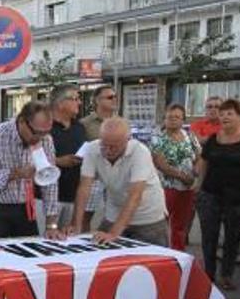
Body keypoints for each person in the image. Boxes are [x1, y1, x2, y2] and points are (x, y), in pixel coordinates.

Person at [194, 98, 240, 291]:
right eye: (222, 113)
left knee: (233, 236)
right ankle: (208, 273)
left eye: (229, 113)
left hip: (238, 196)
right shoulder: (214, 139)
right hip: (210, 193)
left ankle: (226, 275)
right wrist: (198, 187)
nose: (224, 116)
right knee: (209, 236)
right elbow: (204, 163)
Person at [68, 117, 168, 247]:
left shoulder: (140, 152)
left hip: (147, 217)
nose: (108, 151)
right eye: (104, 145)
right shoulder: (93, 149)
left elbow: (135, 196)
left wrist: (114, 234)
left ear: (127, 140)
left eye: (114, 147)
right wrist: (76, 225)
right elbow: (84, 188)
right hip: (114, 213)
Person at [0, 101, 62, 240]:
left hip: (25, 205)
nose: (40, 138)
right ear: (22, 121)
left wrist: (52, 225)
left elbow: (50, 183)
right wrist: (17, 173)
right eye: (36, 133)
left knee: (30, 250)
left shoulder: (46, 139)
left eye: (46, 132)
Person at [149, 104, 200, 250]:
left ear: (183, 120)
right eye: (169, 117)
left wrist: (196, 171)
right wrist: (182, 176)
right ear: (164, 119)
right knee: (160, 223)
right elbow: (160, 163)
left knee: (180, 225)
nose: (172, 120)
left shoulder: (189, 135)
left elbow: (199, 156)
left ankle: (178, 253)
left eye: (177, 117)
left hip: (187, 188)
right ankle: (159, 253)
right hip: (166, 187)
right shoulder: (157, 137)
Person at [78, 85, 117, 231]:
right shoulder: (85, 123)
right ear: (97, 101)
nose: (114, 100)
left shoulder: (120, 122)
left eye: (115, 97)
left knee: (115, 214)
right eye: (109, 97)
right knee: (86, 215)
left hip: (116, 175)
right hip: (94, 177)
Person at [49, 84, 86, 229]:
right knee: (45, 241)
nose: (80, 102)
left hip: (73, 196)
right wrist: (57, 161)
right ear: (60, 104)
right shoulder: (43, 126)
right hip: (46, 198)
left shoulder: (79, 127)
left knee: (66, 242)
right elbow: (28, 157)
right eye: (75, 98)